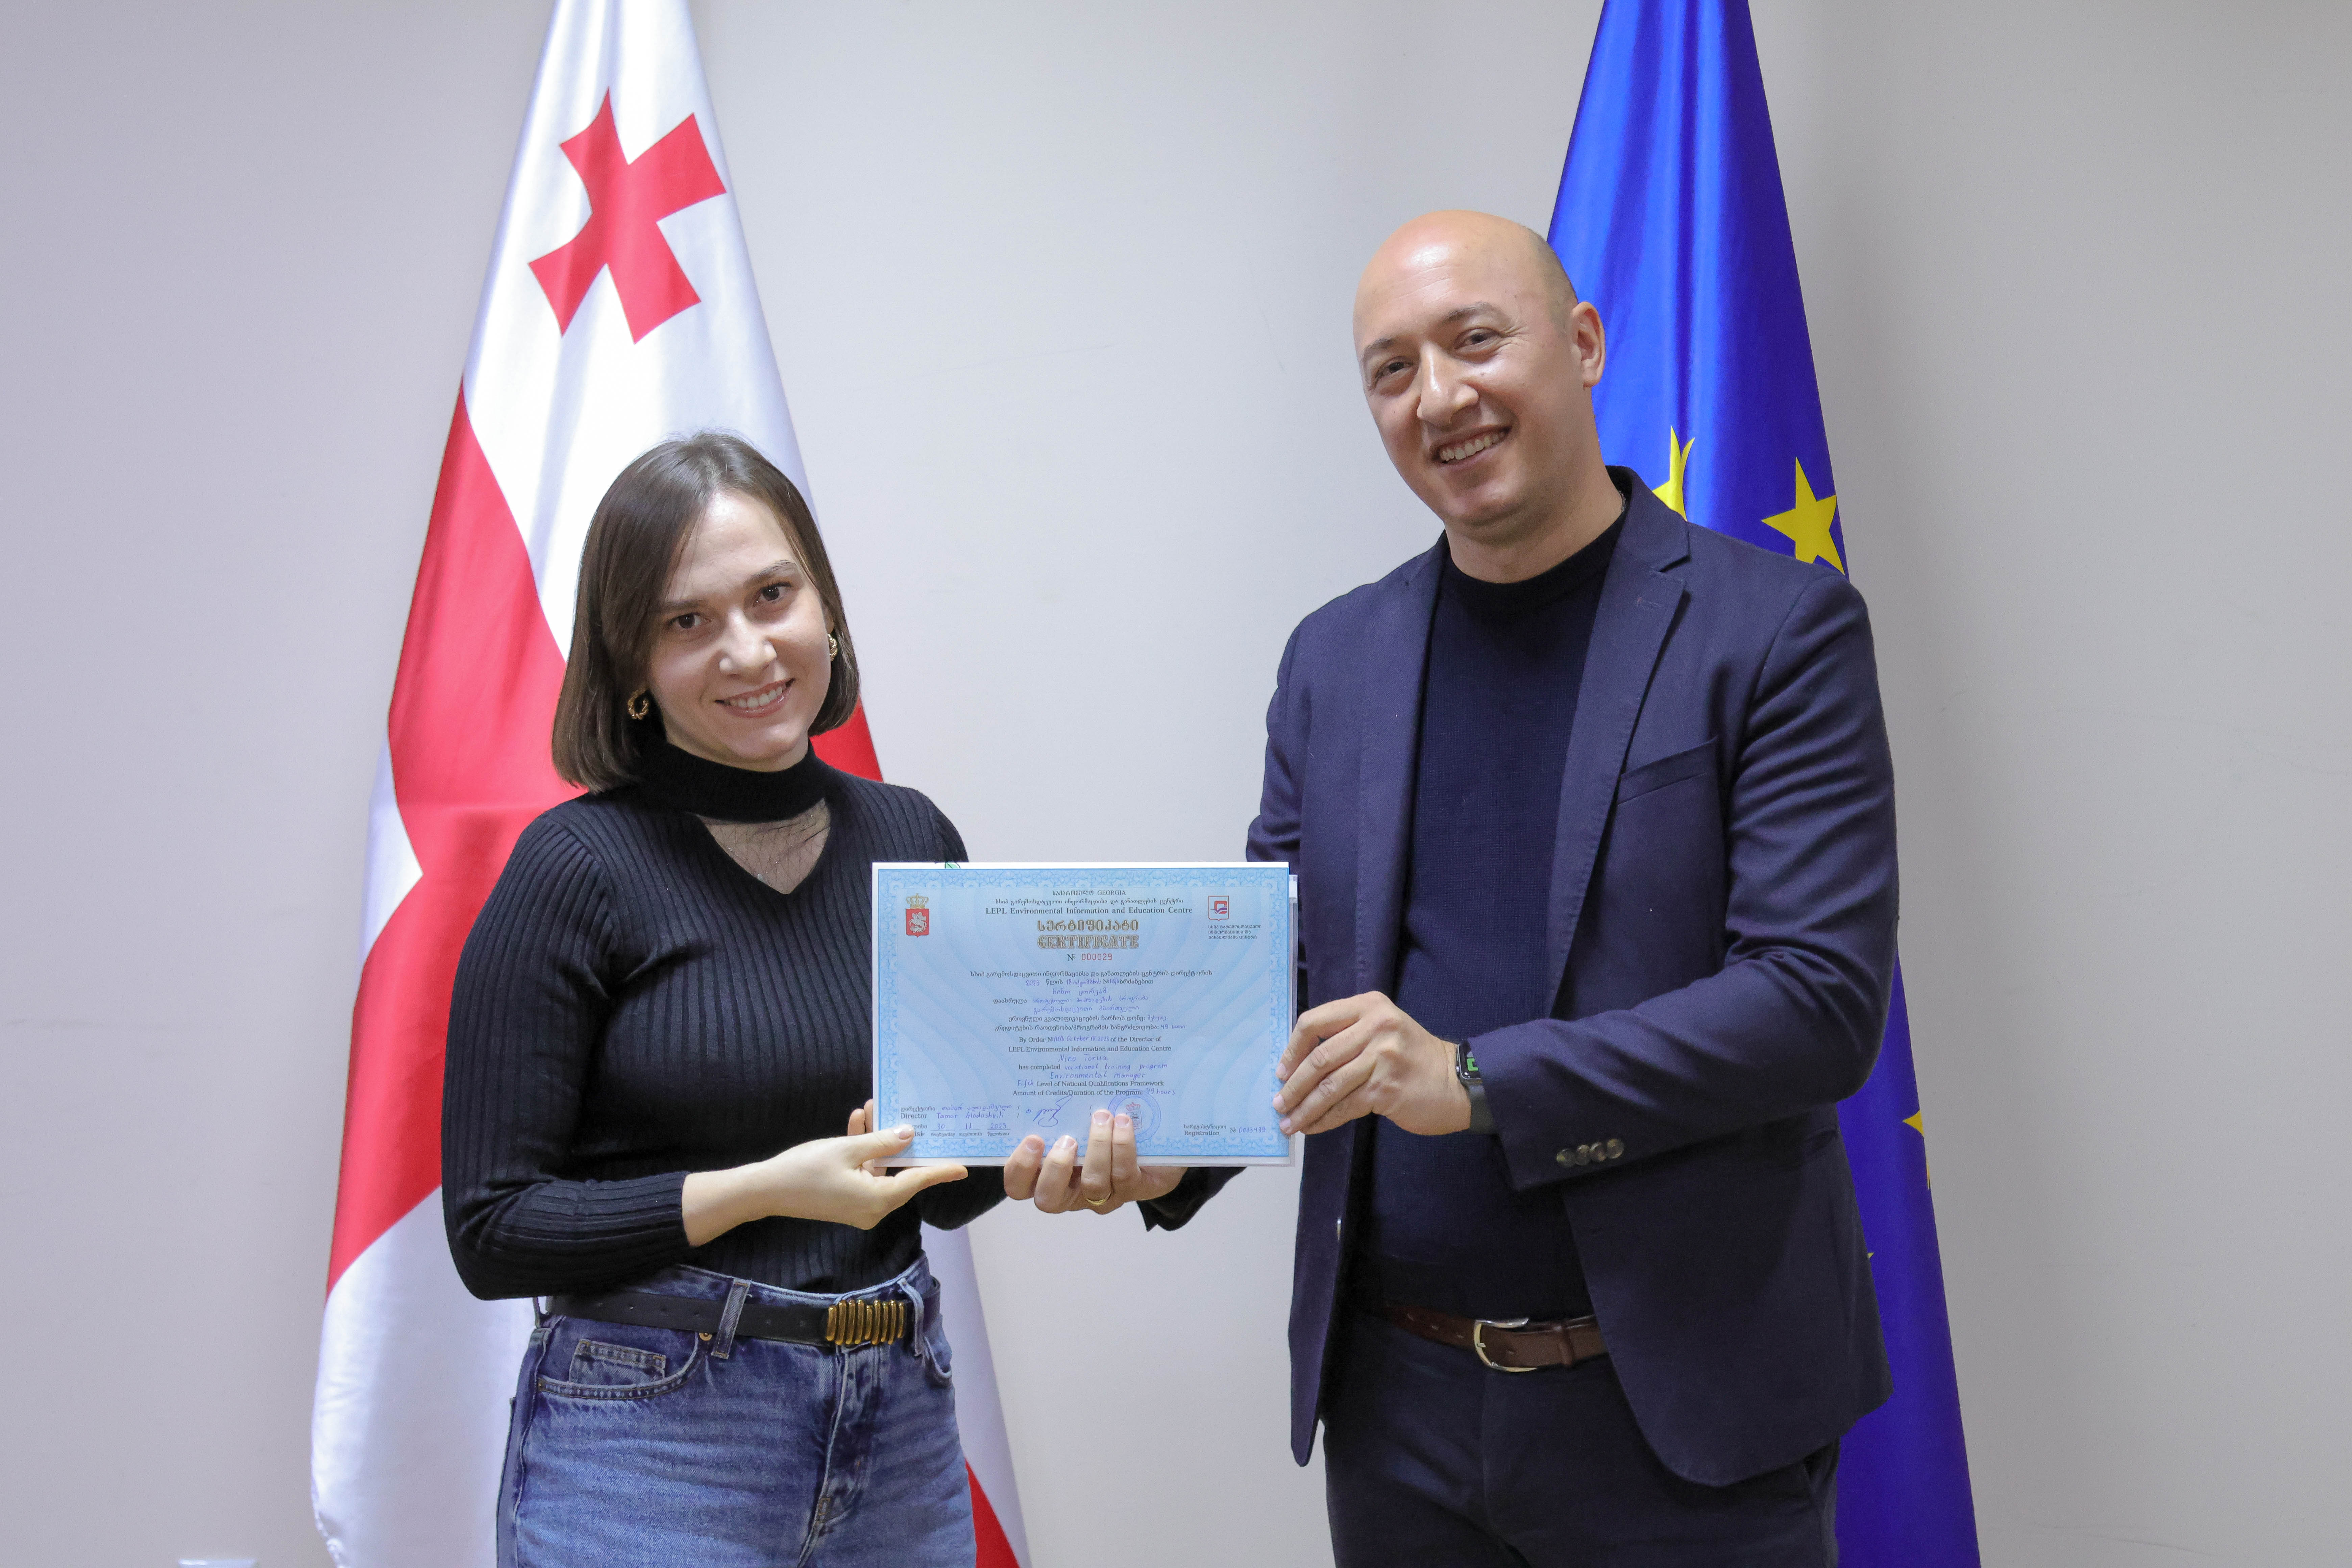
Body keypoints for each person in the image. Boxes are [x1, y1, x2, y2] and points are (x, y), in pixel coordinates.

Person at [1008, 211, 1898, 1566]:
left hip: (1689, 1410)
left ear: (1583, 342)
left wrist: (1475, 1079)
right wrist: (1165, 1143)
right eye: (1392, 369)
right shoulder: (1334, 660)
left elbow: (1815, 1004)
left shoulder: (1776, 630)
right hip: (1400, 1413)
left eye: (1475, 340)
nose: (1439, 396)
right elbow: (1274, 986)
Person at [443, 432, 997, 1568]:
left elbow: (956, 1179)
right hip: (654, 1444)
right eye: (687, 622)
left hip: (898, 1425)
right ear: (632, 669)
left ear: (826, 610)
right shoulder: (572, 870)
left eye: (772, 596)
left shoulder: (914, 839)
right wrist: (764, 1189)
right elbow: (493, 1230)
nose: (748, 650)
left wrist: (1095, 1159)